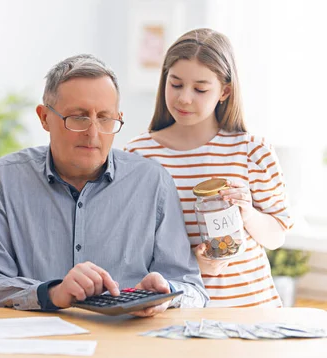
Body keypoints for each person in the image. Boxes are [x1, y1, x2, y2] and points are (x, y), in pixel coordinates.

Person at [0, 54, 208, 316]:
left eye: (105, 118)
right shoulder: (3, 180)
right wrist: (53, 293)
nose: (93, 133)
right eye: (78, 117)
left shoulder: (153, 183)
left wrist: (166, 294)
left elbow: (193, 290)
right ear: (44, 117)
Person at [125, 28, 293, 308]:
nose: (184, 98)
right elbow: (131, 249)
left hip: (252, 312)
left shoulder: (252, 150)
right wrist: (193, 263)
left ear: (225, 91)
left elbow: (277, 235)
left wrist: (247, 213)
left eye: (200, 89)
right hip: (177, 314)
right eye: (175, 84)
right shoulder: (138, 154)